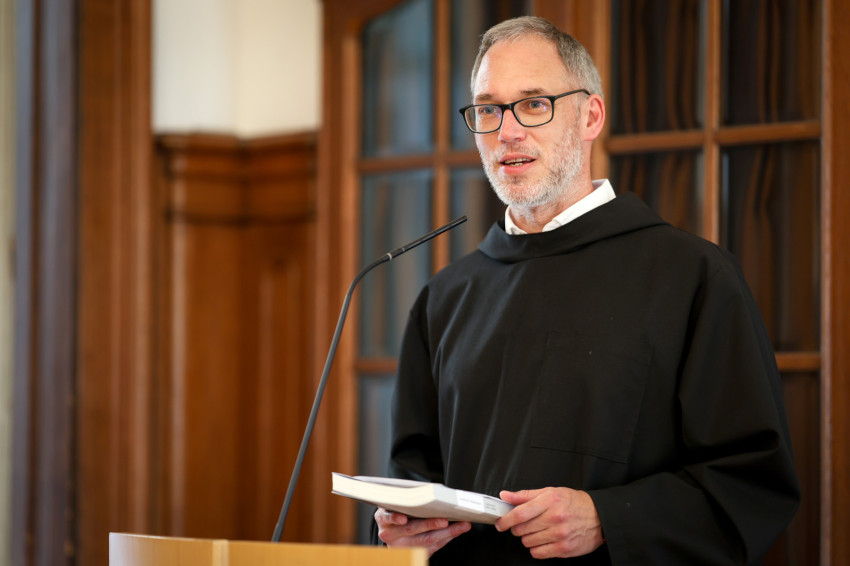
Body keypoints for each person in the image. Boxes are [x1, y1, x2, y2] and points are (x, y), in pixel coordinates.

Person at [373, 16, 799, 565]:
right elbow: (411, 479)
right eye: (488, 110)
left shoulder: (694, 277)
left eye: (534, 104)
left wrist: (608, 518)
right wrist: (396, 529)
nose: (507, 132)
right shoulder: (444, 299)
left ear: (590, 116)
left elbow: (751, 483)